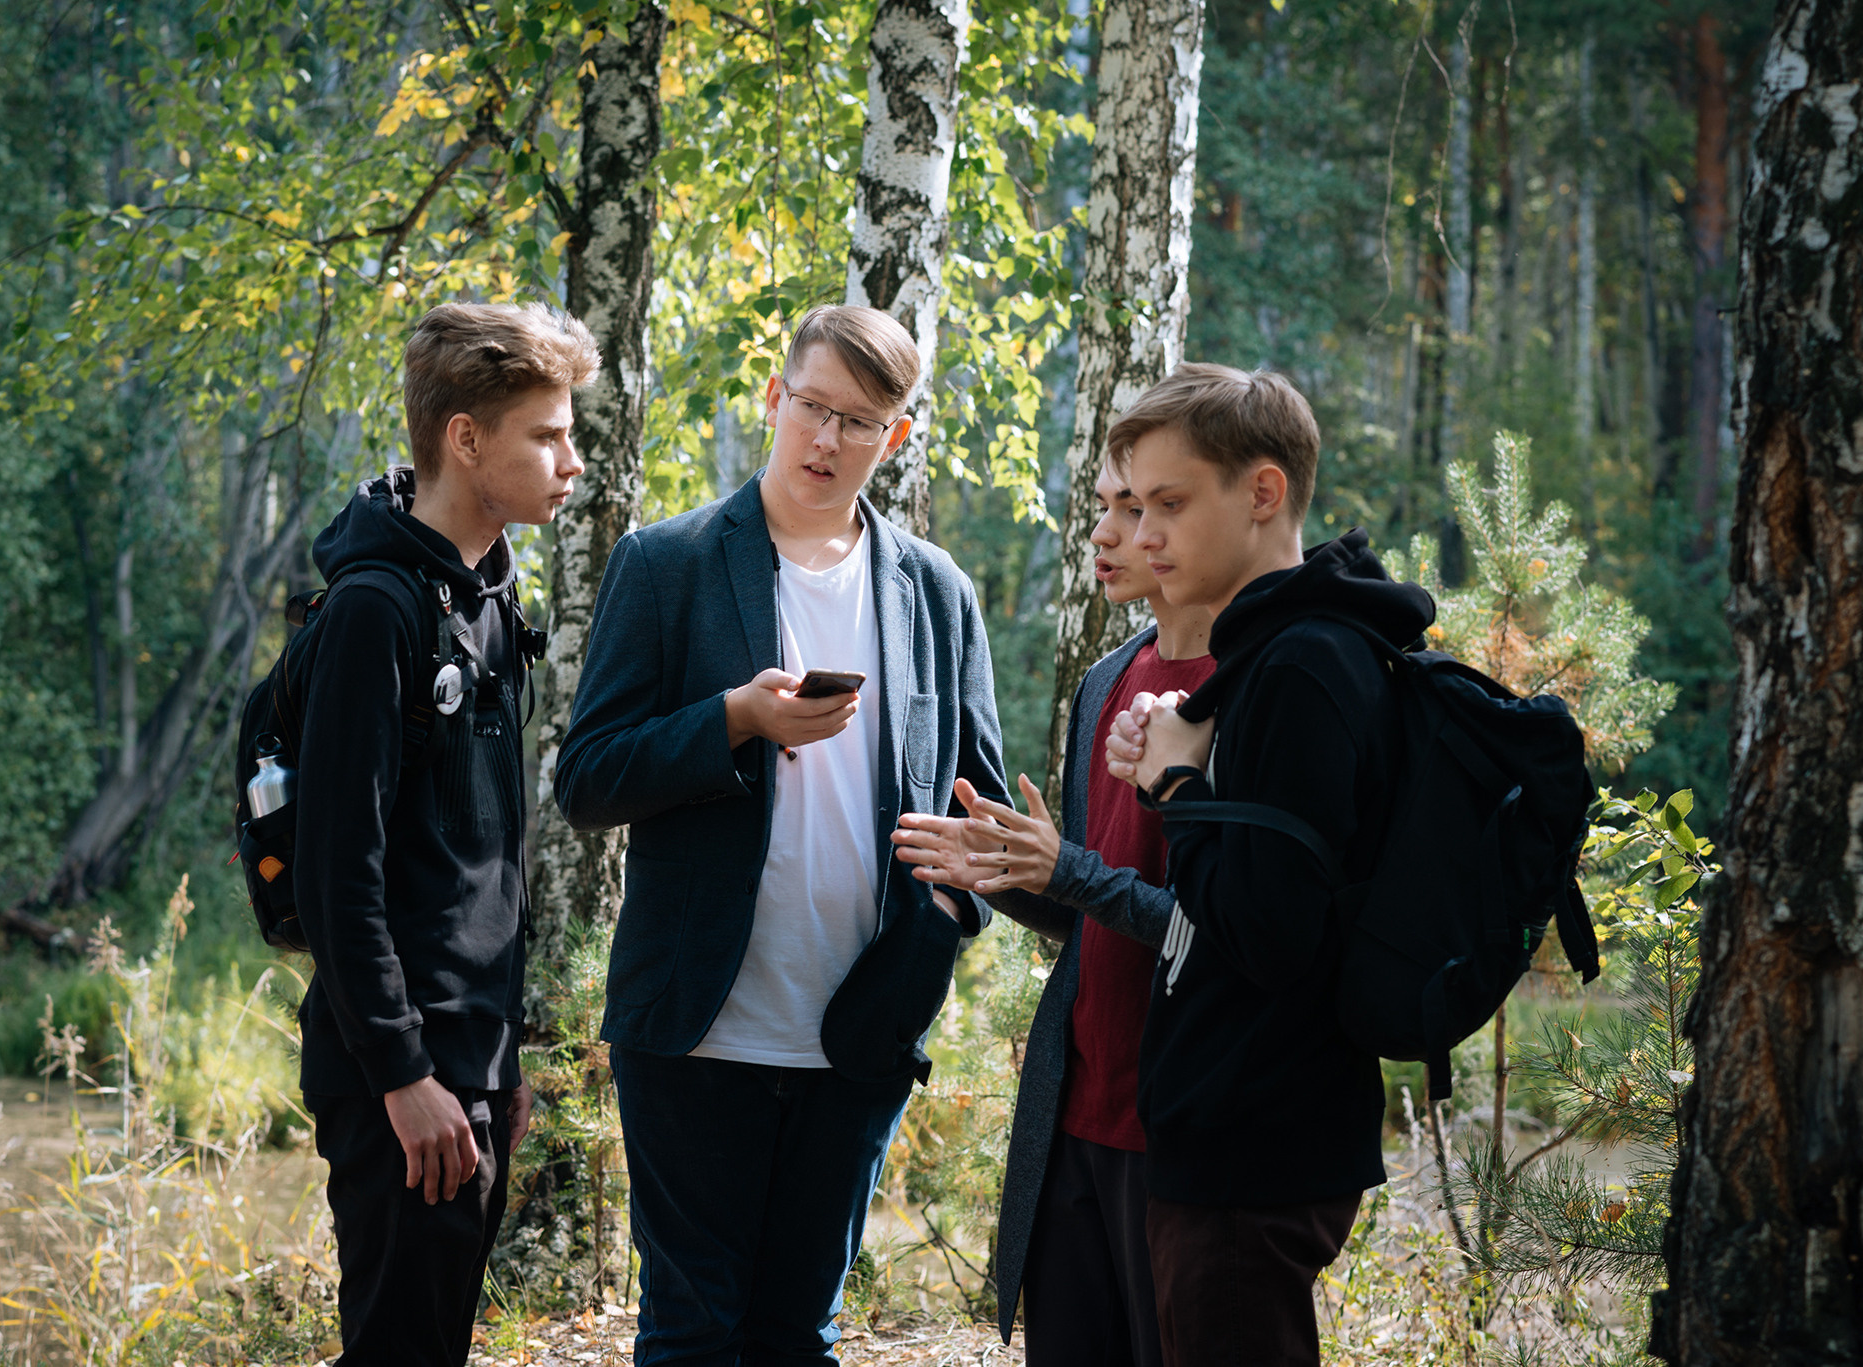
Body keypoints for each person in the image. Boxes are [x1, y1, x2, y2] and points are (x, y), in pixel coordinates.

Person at [554, 304, 1011, 1366]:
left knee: (796, 1338)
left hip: (859, 1027)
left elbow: (977, 803)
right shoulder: (663, 563)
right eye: (811, 407)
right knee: (689, 1335)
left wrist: (949, 914)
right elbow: (584, 779)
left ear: (893, 438)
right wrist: (732, 719)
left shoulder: (936, 592)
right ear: (774, 398)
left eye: (859, 422)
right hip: (693, 1028)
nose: (826, 440)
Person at [1102, 364, 1434, 1367]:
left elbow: (1266, 927)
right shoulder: (1292, 652)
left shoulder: (1300, 663)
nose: (1143, 532)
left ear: (1260, 493)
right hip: (1245, 1121)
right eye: (1135, 503)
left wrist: (1174, 791)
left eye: (1169, 502)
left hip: (1253, 1132)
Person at [292, 302, 600, 1367]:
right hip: (400, 1078)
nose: (573, 459)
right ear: (465, 439)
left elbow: (479, 868)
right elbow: (342, 872)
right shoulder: (377, 610)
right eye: (546, 435)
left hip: (462, 1064)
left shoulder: (482, 601)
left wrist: (496, 1059)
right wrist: (404, 1071)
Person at [890, 453, 1214, 1366]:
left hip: (1183, 1127)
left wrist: (1062, 869)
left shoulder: (1251, 682)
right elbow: (1096, 911)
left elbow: (1218, 929)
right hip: (1075, 1118)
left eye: (1141, 506)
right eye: (1104, 507)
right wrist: (1013, 874)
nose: (1108, 534)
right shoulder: (1108, 676)